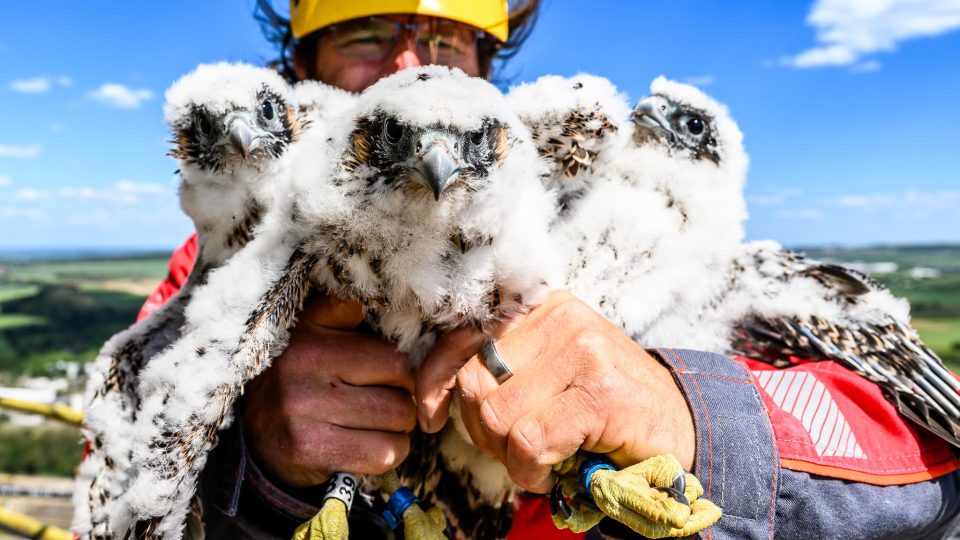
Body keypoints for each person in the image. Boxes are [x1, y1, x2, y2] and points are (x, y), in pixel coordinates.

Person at [136, 1, 960, 538]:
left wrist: (688, 412)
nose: (407, 68)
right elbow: (124, 483)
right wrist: (259, 465)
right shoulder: (220, 272)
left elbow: (928, 454)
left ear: (488, 70)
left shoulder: (610, 197)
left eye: (446, 41)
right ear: (303, 66)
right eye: (365, 36)